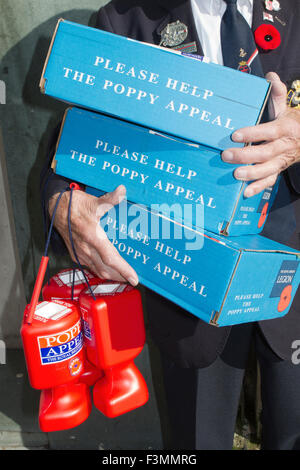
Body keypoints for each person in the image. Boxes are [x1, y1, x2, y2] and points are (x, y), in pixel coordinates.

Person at [41, 0, 300, 450]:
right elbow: (73, 138)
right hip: (186, 281)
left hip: (292, 271)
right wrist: (64, 203)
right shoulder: (126, 19)